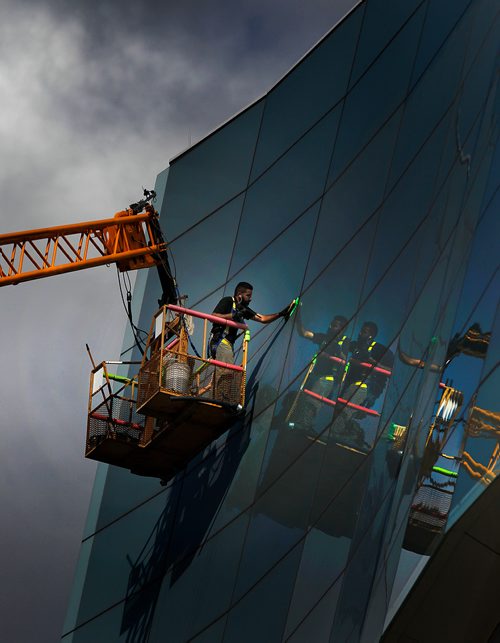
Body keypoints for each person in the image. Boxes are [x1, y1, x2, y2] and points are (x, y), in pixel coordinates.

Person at [287, 305, 348, 433]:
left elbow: (344, 359)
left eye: (336, 325)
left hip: (328, 378)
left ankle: (303, 428)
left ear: (342, 330)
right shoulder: (323, 337)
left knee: (312, 403)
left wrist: (334, 352)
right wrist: (297, 314)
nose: (332, 327)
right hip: (314, 374)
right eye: (332, 324)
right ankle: (298, 425)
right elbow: (303, 332)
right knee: (303, 400)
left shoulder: (345, 342)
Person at [334, 321, 393, 449]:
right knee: (339, 409)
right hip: (348, 385)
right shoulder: (355, 346)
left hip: (366, 387)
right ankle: (349, 434)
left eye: (364, 332)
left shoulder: (380, 350)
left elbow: (391, 371)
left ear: (371, 335)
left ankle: (336, 433)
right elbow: (342, 351)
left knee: (345, 411)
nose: (360, 334)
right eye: (361, 331)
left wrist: (372, 362)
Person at [209, 281, 294, 364]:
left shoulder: (242, 309)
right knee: (227, 374)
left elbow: (263, 319)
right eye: (248, 296)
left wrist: (280, 314)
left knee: (225, 374)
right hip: (220, 341)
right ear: (239, 294)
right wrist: (233, 316)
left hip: (228, 345)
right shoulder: (228, 301)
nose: (250, 299)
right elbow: (212, 317)